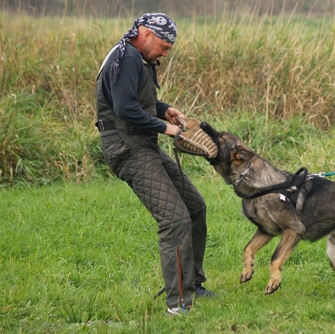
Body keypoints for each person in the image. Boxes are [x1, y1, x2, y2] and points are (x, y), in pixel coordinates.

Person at [95, 13, 215, 316]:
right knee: (174, 219)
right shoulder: (128, 57)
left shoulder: (137, 57)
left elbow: (134, 100)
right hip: (127, 147)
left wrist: (165, 110)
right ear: (146, 34)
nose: (163, 53)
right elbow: (124, 108)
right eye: (163, 47)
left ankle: (194, 284)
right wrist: (166, 129)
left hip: (142, 143)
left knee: (195, 206)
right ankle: (179, 304)